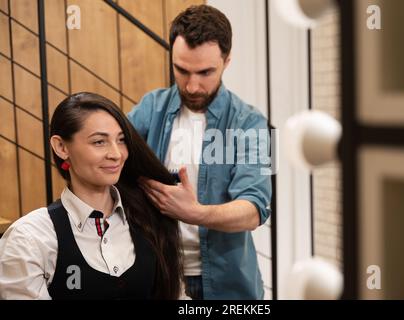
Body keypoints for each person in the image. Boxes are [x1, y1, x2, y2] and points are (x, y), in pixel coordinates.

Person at [128, 5, 272, 300]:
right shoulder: (150, 108)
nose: (192, 86)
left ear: (227, 61)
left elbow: (255, 209)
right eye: (181, 70)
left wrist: (194, 213)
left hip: (227, 285)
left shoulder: (249, 122)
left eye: (206, 72)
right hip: (159, 275)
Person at [0, 92, 183, 299]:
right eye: (99, 142)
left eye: (121, 140)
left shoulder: (148, 220)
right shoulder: (30, 238)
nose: (116, 154)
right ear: (61, 147)